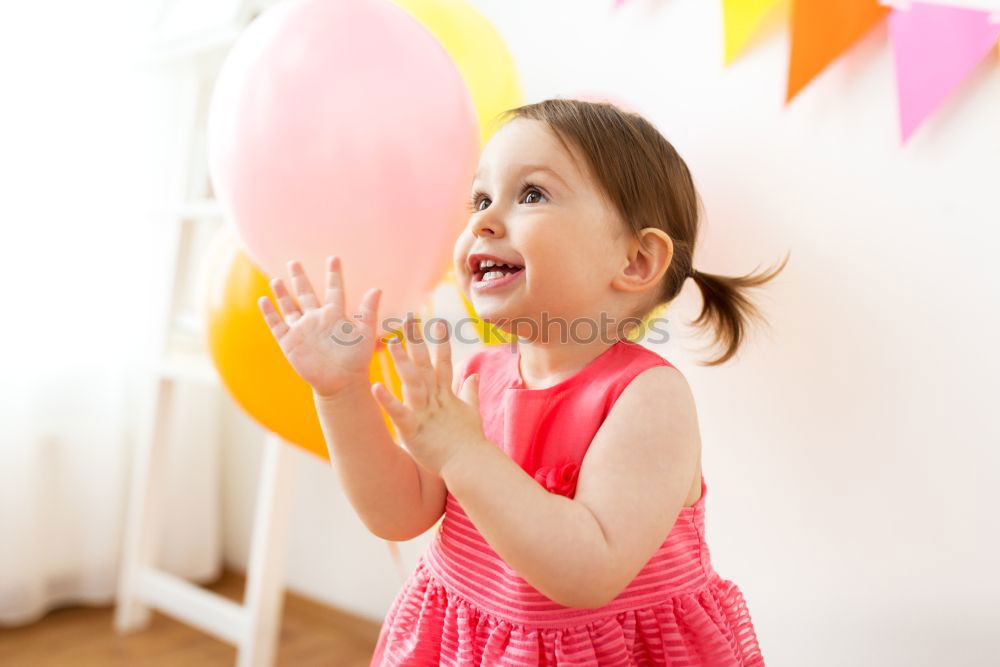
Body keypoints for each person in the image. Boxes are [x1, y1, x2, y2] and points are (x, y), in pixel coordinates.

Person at [258, 98, 787, 666]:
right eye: (481, 199)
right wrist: (341, 394)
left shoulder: (647, 397)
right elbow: (398, 513)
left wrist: (464, 452)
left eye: (531, 194)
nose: (483, 219)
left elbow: (589, 573)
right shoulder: (479, 376)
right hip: (473, 644)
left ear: (635, 260)